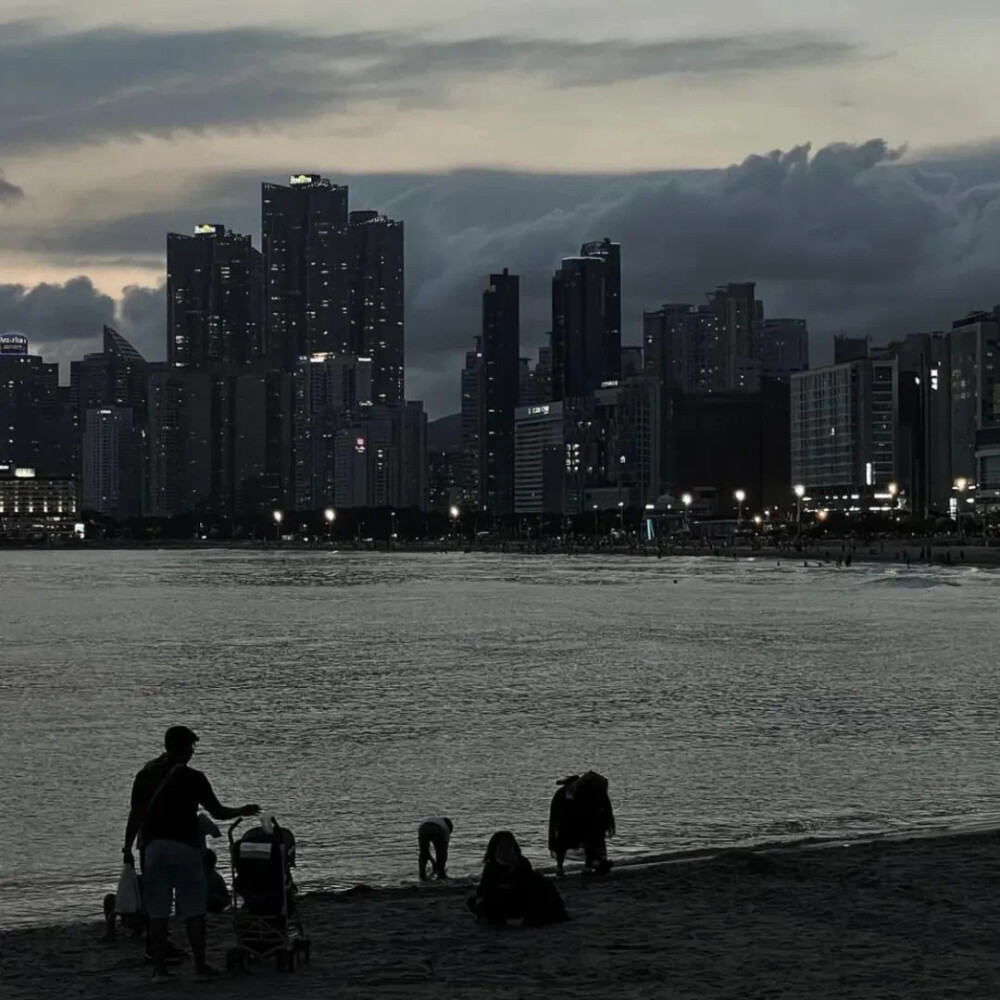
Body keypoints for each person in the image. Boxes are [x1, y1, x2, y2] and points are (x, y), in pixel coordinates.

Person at [122, 725, 260, 982]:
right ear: (184, 748)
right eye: (191, 747)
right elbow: (217, 812)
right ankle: (199, 965)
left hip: (154, 848)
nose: (193, 752)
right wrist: (243, 809)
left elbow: (136, 815)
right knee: (194, 910)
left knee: (157, 911)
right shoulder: (195, 778)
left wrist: (127, 848)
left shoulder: (145, 774)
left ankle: (160, 970)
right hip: (186, 848)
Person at [467, 831, 568, 926]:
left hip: (519, 900)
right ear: (495, 849)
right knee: (474, 902)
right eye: (502, 848)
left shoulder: (521, 862)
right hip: (500, 900)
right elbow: (484, 888)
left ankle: (509, 920)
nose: (505, 851)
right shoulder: (491, 865)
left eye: (508, 847)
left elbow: (528, 886)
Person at [548, 771, 615, 876]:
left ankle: (561, 868)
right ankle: (587, 866)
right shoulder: (587, 793)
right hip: (576, 824)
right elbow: (594, 812)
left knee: (564, 844)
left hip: (570, 825)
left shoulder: (564, 792)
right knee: (589, 842)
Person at [418, 817, 454, 881]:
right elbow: (444, 852)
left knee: (423, 854)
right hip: (438, 830)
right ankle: (441, 875)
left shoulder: (433, 820)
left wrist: (433, 862)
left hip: (423, 828)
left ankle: (422, 877)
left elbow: (425, 851)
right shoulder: (446, 828)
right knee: (441, 854)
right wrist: (438, 864)